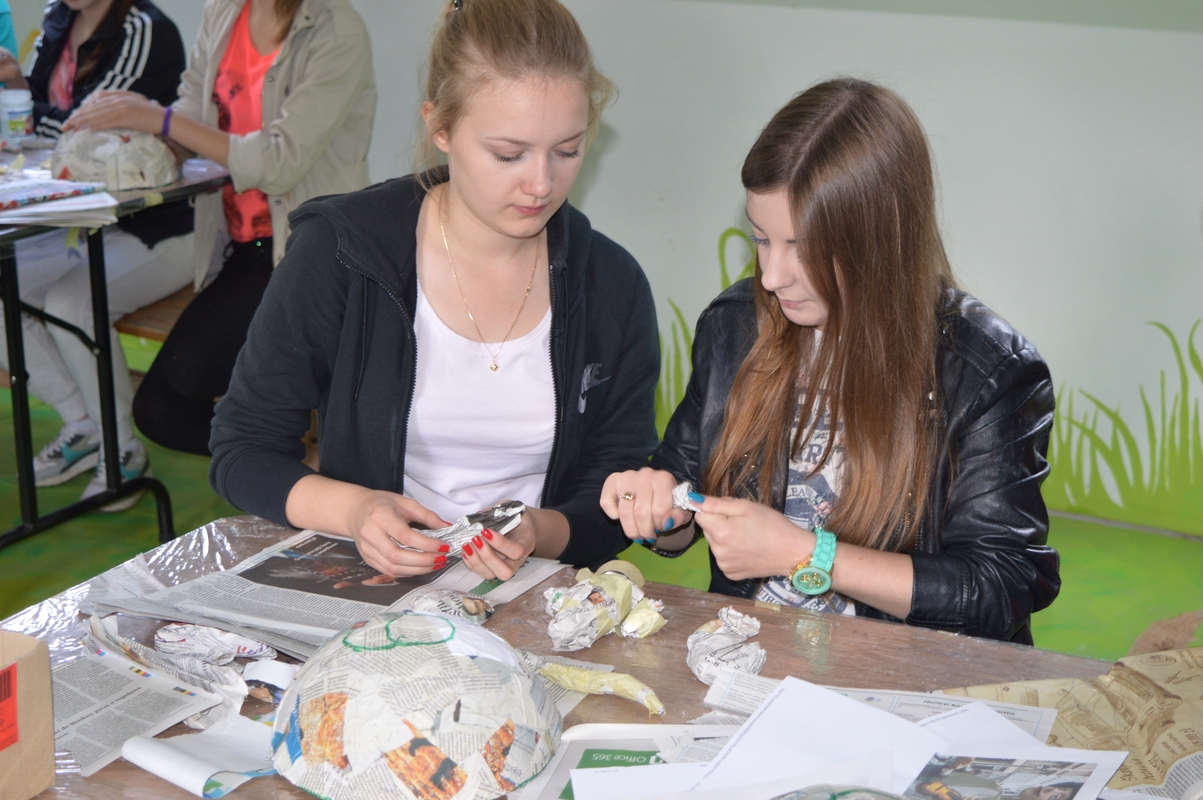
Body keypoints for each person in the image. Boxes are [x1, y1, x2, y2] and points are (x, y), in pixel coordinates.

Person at [208, 0, 659, 582]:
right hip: (372, 582)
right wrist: (356, 510)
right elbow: (243, 448)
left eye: (568, 150)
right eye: (508, 154)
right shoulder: (342, 252)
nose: (541, 184)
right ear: (439, 128)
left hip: (536, 591)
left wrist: (539, 532)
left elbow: (616, 492)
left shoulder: (612, 284)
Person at [602, 79, 1061, 644]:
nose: (772, 277)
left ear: (882, 240)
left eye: (803, 248)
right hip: (750, 659)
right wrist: (660, 510)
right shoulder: (733, 327)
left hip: (900, 675)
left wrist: (804, 553)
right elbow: (686, 496)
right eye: (761, 240)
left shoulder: (989, 371)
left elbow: (1000, 588)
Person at [63, 0, 377, 456]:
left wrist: (158, 118)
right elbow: (193, 105)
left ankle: (301, 474)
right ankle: (298, 470)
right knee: (160, 410)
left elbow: (278, 164)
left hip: (308, 254)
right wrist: (133, 145)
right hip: (244, 248)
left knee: (178, 394)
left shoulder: (336, 29)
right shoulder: (225, 10)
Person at [0, 0, 190, 509]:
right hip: (78, 222)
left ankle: (123, 448)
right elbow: (39, 122)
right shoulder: (58, 17)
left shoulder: (144, 29)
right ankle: (83, 424)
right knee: (4, 292)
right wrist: (16, 85)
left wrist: (26, 109)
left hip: (158, 226)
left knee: (70, 304)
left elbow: (83, 130)